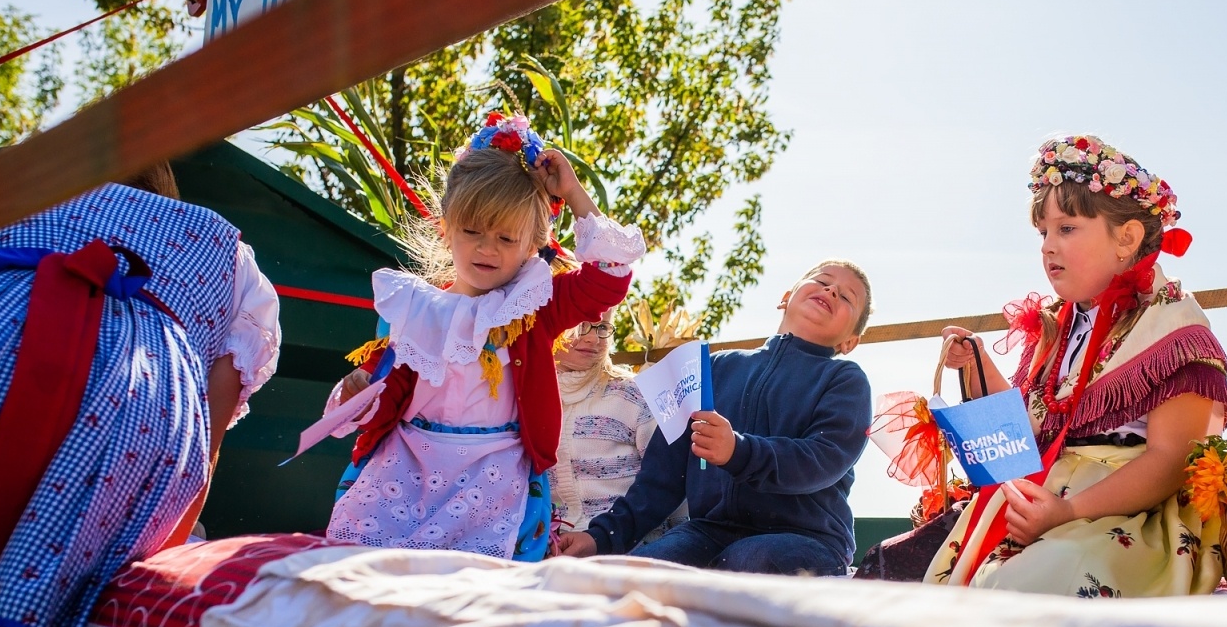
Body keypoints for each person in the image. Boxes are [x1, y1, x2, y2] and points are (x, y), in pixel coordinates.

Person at [0, 163, 281, 627]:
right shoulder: (226, 252)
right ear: (167, 195)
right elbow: (210, 425)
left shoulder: (14, 193)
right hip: (134, 403)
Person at [924, 134, 1227, 596]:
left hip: (1123, 511)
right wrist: (978, 363)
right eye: (1043, 233)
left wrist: (1068, 512)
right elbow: (1030, 431)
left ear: (1126, 238)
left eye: (1066, 229)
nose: (1048, 246)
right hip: (1042, 501)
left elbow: (1171, 460)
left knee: (1046, 576)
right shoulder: (1059, 328)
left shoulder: (1173, 329)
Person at [325, 112, 642, 559]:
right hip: (406, 474)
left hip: (494, 481)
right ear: (447, 226)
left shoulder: (537, 306)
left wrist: (572, 193)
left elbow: (609, 277)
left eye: (506, 238)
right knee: (374, 577)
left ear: (534, 241)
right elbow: (384, 392)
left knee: (481, 596)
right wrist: (357, 391)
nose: (486, 248)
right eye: (471, 231)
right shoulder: (413, 309)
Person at [555, 260, 874, 576]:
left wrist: (739, 452)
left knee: (746, 560)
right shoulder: (712, 368)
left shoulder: (846, 380)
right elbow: (659, 481)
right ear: (786, 297)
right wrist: (599, 537)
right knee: (645, 571)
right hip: (710, 531)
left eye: (847, 297)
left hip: (809, 539)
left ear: (850, 342)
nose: (831, 290)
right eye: (822, 280)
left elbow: (822, 460)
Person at [549, 308, 663, 534]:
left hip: (630, 539)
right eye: (579, 325)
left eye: (602, 327)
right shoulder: (526, 398)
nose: (593, 337)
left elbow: (664, 479)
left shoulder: (633, 393)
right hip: (550, 543)